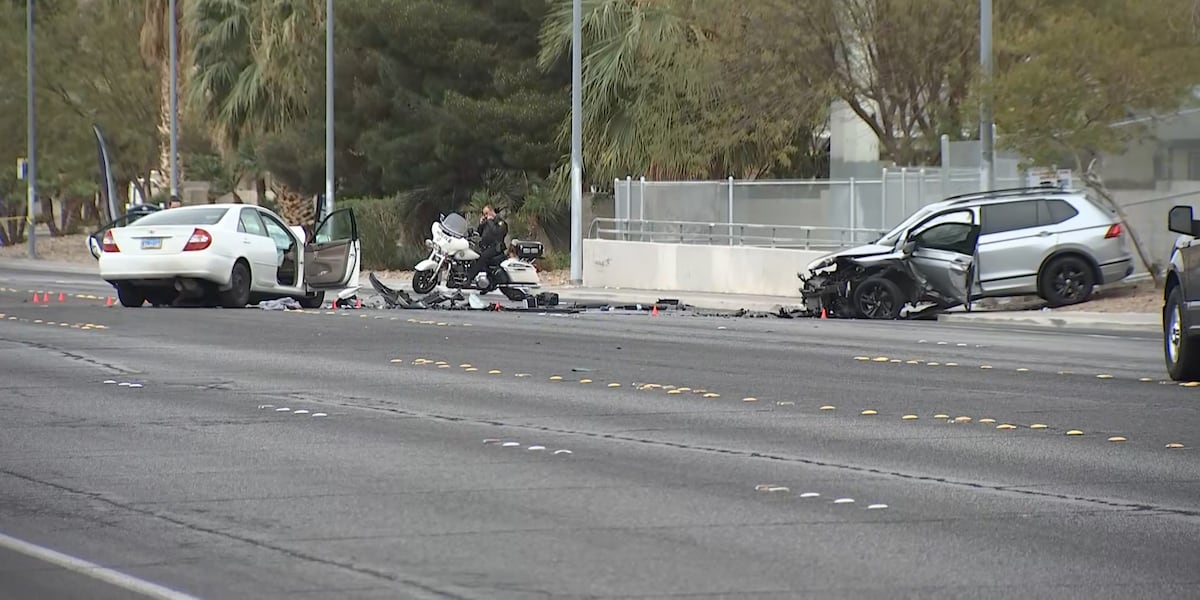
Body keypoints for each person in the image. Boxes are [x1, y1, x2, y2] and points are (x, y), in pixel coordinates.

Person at [466, 204, 508, 286]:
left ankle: (469, 279)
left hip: (496, 247)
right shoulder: (488, 223)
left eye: (486, 213)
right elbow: (479, 233)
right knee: (473, 255)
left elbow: (496, 233)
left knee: (483, 257)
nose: (485, 215)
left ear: (491, 211)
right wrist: (481, 224)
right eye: (484, 214)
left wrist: (489, 221)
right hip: (485, 246)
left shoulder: (501, 222)